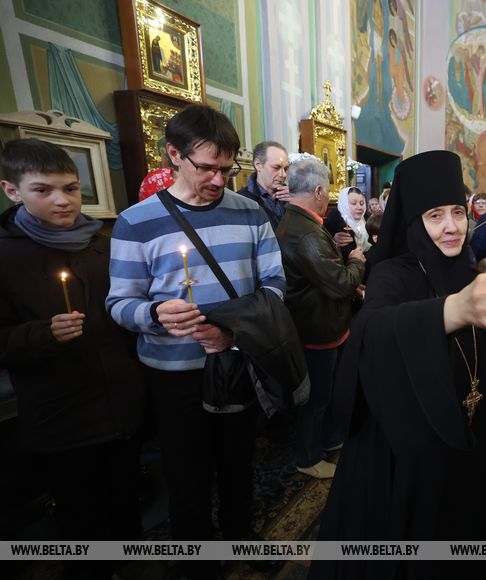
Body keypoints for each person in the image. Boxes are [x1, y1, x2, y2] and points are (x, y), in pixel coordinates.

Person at [309, 151, 486, 580]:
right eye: (435, 216)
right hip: (406, 454)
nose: (452, 226)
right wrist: (451, 310)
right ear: (414, 221)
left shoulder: (468, 269)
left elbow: (485, 347)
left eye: (457, 212)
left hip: (465, 445)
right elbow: (373, 334)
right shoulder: (393, 273)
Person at [106, 105, 285, 568]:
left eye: (226, 169)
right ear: (174, 155)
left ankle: (242, 539)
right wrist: (155, 313)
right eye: (206, 167)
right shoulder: (135, 222)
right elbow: (119, 304)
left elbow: (274, 289)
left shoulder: (251, 215)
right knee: (187, 474)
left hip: (235, 363)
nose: (217, 180)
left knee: (238, 464)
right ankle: (196, 560)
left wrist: (231, 334)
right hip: (174, 375)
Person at [0, 139, 146, 580]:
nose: (62, 201)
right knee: (79, 513)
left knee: (126, 500)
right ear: (12, 190)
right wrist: (42, 334)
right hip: (62, 413)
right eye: (43, 190)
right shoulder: (6, 254)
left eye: (70, 188)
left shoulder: (103, 243)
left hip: (121, 403)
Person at [276, 156, 365, 479]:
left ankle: (328, 441)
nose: (328, 197)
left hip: (314, 324)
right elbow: (339, 282)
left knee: (323, 395)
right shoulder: (307, 232)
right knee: (317, 399)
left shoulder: (297, 221)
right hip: (317, 330)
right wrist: (356, 261)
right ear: (317, 190)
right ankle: (309, 457)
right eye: (327, 191)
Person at [236, 140, 290, 230]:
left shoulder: (292, 196)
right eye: (276, 167)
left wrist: (297, 203)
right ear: (258, 165)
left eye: (286, 168)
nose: (283, 174)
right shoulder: (241, 200)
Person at [324, 186, 371, 262]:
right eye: (353, 203)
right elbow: (324, 246)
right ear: (344, 204)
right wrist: (333, 241)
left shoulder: (367, 218)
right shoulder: (334, 219)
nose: (359, 207)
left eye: (362, 203)